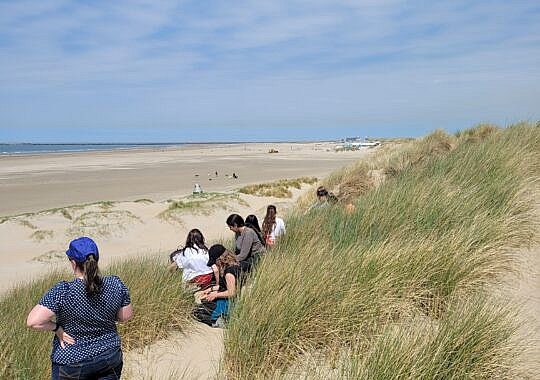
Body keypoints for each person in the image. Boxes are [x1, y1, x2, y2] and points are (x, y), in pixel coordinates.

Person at [27, 237, 133, 380]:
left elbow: (33, 321)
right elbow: (124, 317)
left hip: (72, 360)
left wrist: (57, 328)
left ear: (73, 262)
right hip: (109, 354)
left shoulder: (63, 291)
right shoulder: (115, 283)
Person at [193, 244, 241, 327]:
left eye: (215, 262)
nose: (215, 264)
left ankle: (219, 321)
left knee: (198, 312)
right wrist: (209, 290)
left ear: (220, 260)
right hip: (226, 299)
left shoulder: (229, 273)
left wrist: (216, 294)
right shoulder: (232, 266)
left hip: (229, 303)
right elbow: (224, 286)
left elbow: (232, 292)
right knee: (201, 308)